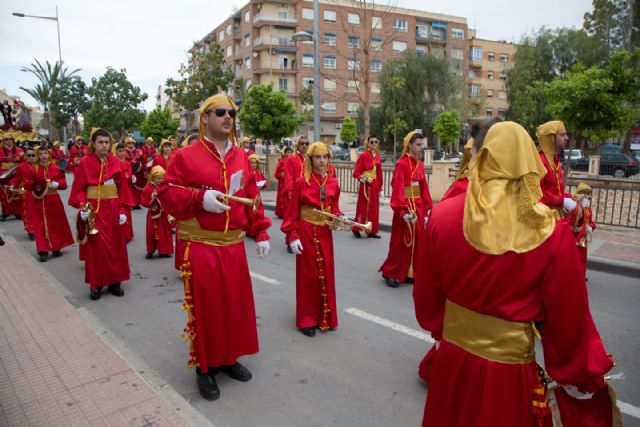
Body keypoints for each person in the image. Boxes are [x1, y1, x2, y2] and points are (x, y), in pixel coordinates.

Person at [413, 121, 617, 427]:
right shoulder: (552, 233)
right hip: (508, 373)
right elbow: (569, 324)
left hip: (452, 362)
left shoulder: (442, 215)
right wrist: (582, 373)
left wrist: (449, 331)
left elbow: (427, 300)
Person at [157, 94, 271, 401]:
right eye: (220, 112)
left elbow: (252, 197)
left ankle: (229, 358)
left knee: (234, 305)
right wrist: (198, 199)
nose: (227, 116)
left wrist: (260, 231)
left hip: (233, 245)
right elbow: (166, 193)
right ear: (204, 118)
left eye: (231, 112)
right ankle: (205, 369)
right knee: (206, 310)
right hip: (201, 246)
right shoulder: (185, 156)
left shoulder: (241, 157)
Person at [281, 142, 342, 337]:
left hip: (325, 233)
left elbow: (334, 207)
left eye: (325, 157)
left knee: (325, 272)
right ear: (310, 159)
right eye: (318, 157)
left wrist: (339, 218)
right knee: (308, 276)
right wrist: (292, 235)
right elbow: (291, 213)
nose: (322, 161)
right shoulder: (301, 183)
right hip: (306, 232)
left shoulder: (333, 182)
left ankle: (325, 316)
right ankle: (306, 319)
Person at [68, 128, 134, 301]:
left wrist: (122, 210)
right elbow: (80, 189)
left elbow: (122, 189)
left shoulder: (116, 162)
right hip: (94, 211)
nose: (104, 145)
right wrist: (83, 208)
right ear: (93, 144)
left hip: (113, 209)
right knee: (97, 248)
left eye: (107, 142)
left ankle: (115, 282)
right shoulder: (84, 163)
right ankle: (96, 285)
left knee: (116, 246)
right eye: (101, 142)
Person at [379, 131, 432, 288]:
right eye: (418, 145)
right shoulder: (402, 164)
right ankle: (390, 272)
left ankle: (411, 271)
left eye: (422, 145)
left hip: (419, 207)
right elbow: (397, 186)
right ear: (409, 145)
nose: (420, 148)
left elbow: (423, 188)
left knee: (418, 242)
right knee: (401, 243)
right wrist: (402, 210)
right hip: (405, 207)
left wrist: (427, 209)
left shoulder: (420, 165)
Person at [26, 143, 74, 262]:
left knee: (56, 224)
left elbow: (63, 184)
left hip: (53, 200)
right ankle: (43, 251)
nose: (43, 155)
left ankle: (56, 247)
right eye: (41, 153)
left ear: (49, 154)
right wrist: (34, 186)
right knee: (40, 225)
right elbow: (28, 184)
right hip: (39, 200)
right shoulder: (34, 169)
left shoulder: (56, 168)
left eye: (45, 153)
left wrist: (57, 184)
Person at [536, 120, 576, 216]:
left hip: (555, 217)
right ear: (551, 138)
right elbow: (536, 197)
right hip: (543, 222)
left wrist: (574, 198)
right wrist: (562, 201)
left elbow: (557, 192)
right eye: (562, 135)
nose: (567, 138)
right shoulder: (539, 161)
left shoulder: (555, 160)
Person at [352, 135, 383, 238]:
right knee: (363, 206)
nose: (373, 144)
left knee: (374, 207)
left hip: (374, 184)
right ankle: (356, 228)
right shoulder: (363, 156)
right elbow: (356, 172)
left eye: (375, 142)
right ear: (368, 143)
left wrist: (380, 188)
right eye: (371, 142)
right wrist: (361, 178)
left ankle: (371, 230)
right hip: (365, 185)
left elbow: (379, 173)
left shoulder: (378, 156)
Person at [283, 136, 309, 253]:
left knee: (303, 218)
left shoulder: (309, 159)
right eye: (302, 143)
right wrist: (289, 191)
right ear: (297, 145)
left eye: (306, 143)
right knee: (292, 218)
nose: (304, 145)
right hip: (293, 192)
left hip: (306, 193)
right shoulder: (291, 158)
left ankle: (301, 239)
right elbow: (288, 176)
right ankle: (289, 240)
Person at [141, 166, 173, 259]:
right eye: (158, 178)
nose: (161, 180)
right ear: (153, 177)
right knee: (151, 233)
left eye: (162, 178)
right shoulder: (148, 189)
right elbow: (143, 202)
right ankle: (150, 250)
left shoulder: (165, 187)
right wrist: (152, 199)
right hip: (153, 214)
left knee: (165, 233)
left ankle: (164, 251)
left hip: (163, 214)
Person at [566, 183, 596, 279]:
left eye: (588, 195)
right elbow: (571, 221)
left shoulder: (588, 210)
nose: (588, 197)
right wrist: (580, 208)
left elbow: (591, 222)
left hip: (582, 236)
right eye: (585, 194)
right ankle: (571, 275)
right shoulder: (571, 206)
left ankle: (580, 275)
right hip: (572, 236)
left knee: (582, 256)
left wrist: (591, 227)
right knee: (571, 256)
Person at [9, 146, 37, 239]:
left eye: (33, 155)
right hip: (26, 192)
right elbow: (17, 178)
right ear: (25, 156)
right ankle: (31, 230)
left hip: (39, 191)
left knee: (39, 212)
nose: (31, 157)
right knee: (28, 212)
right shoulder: (21, 167)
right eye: (29, 155)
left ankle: (40, 229)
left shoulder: (40, 165)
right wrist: (12, 184)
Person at [0, 131, 25, 221]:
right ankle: (5, 213)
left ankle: (18, 213)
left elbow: (23, 163)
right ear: (3, 140)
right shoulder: (0, 150)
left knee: (17, 193)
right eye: (6, 139)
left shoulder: (19, 150)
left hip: (16, 175)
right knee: (4, 194)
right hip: (3, 176)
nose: (9, 141)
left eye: (11, 139)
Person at [114, 142, 135, 242]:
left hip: (126, 189)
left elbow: (129, 174)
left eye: (123, 151)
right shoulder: (114, 162)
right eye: (120, 151)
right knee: (119, 210)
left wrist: (131, 177)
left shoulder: (126, 163)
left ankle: (128, 234)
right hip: (117, 189)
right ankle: (122, 234)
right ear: (116, 151)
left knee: (127, 211)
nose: (122, 153)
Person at [274, 146, 293, 219]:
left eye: (290, 152)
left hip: (290, 182)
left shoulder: (293, 161)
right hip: (283, 183)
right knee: (283, 198)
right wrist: (283, 175)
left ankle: (289, 213)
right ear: (285, 153)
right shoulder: (281, 162)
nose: (289, 154)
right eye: (288, 152)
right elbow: (276, 173)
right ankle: (281, 213)